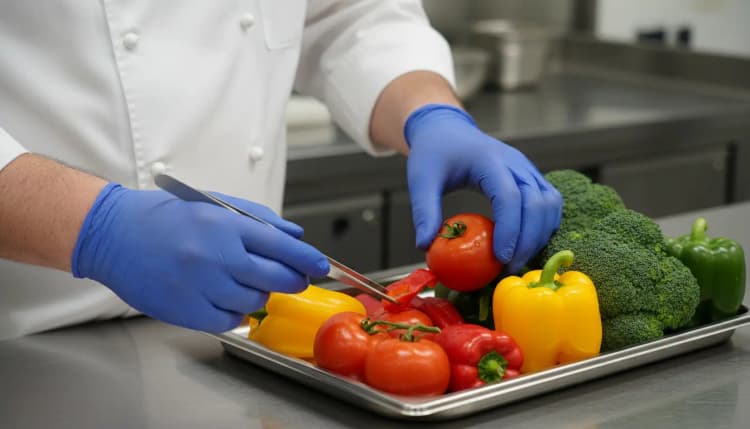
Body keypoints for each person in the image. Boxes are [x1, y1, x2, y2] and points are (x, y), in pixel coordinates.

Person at [0, 1, 561, 340]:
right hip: (25, 337)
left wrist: (429, 110)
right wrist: (97, 228)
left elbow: (346, 14)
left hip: (238, 338)